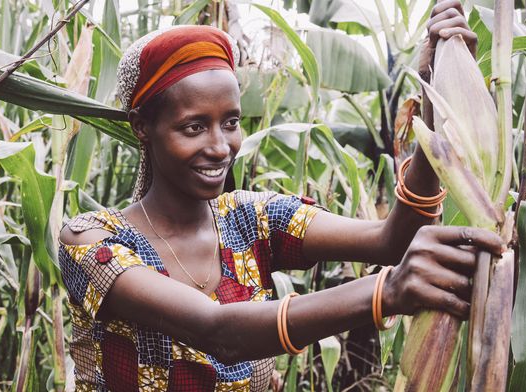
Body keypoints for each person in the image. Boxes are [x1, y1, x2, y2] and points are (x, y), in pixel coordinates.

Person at [58, 1, 499, 391]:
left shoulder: (251, 219)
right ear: (141, 127)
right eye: (193, 127)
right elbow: (218, 332)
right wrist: (387, 290)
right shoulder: (93, 243)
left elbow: (391, 239)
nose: (220, 146)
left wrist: (436, 94)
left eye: (230, 122)